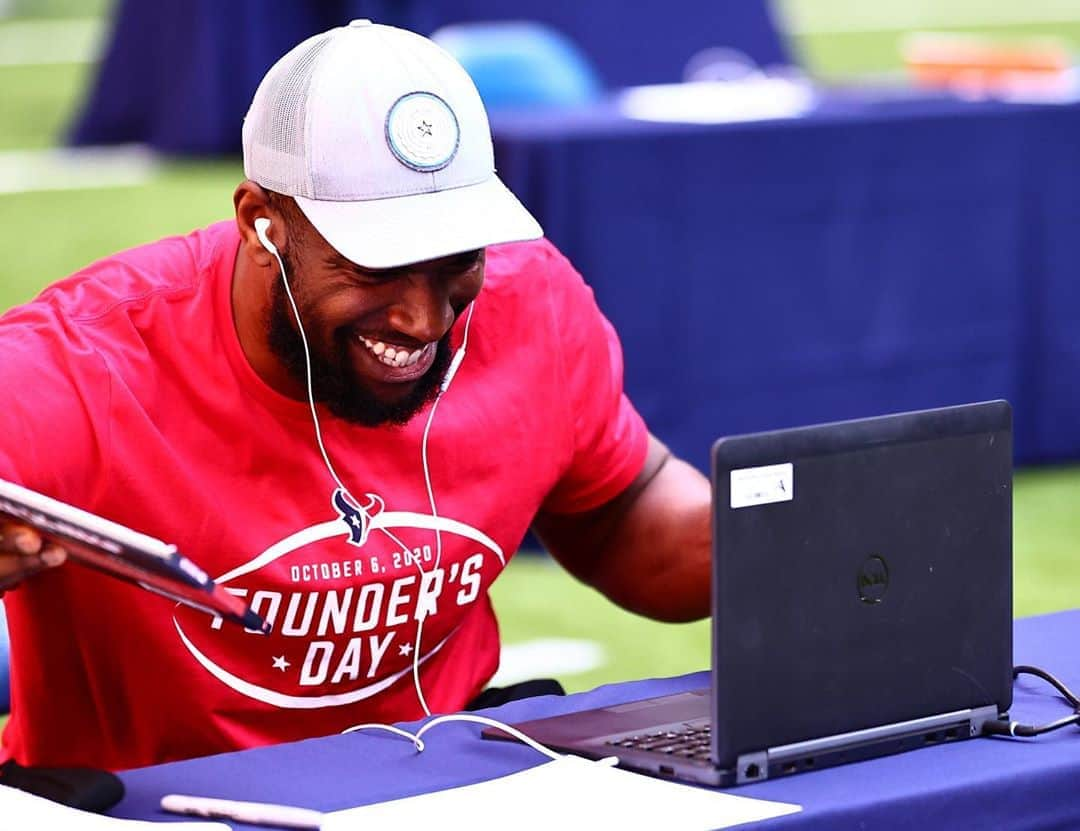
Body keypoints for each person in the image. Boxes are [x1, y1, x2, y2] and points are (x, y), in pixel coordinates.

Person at [0, 20, 710, 772]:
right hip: (156, 804)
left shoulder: (529, 299)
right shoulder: (81, 361)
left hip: (448, 787)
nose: (424, 318)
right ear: (259, 223)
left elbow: (622, 503)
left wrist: (775, 542)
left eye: (457, 261)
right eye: (376, 267)